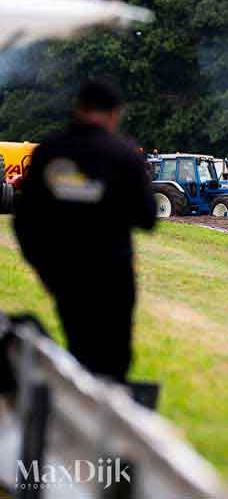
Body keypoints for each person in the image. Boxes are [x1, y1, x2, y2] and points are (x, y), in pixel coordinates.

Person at [14, 79, 156, 383]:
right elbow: (147, 218)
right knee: (114, 362)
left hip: (66, 276)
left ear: (78, 108)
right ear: (116, 113)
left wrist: (46, 270)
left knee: (80, 352)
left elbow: (23, 221)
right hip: (112, 278)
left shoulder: (49, 152)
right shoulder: (124, 155)